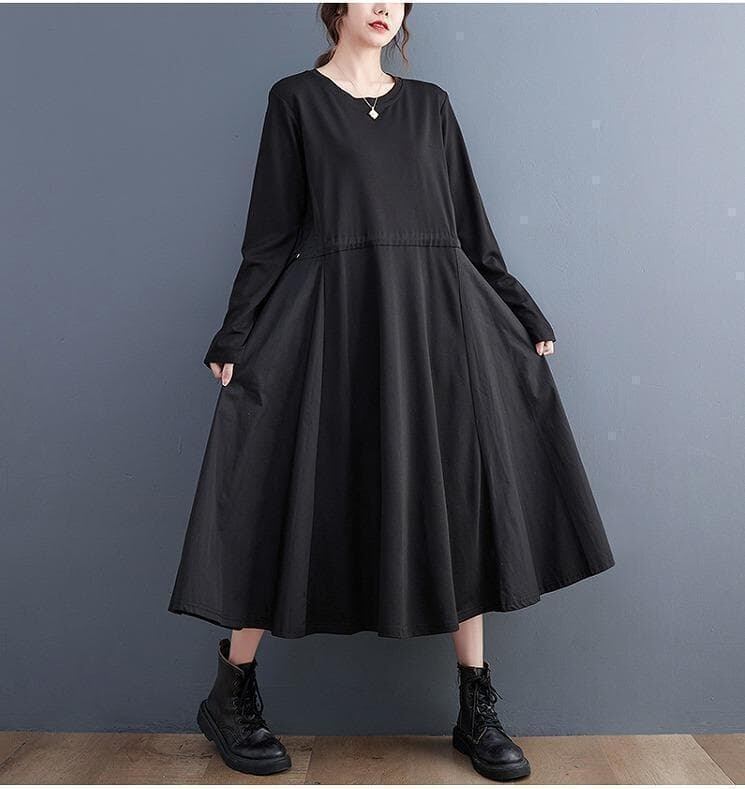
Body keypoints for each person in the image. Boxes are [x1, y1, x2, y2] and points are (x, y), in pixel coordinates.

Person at [168, 2, 616, 781]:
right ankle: (230, 695)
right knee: (279, 484)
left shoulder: (431, 106)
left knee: (456, 492)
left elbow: (470, 228)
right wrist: (236, 333)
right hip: (338, 321)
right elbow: (270, 234)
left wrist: (518, 307)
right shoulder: (295, 100)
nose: (383, 6)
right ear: (335, 7)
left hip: (437, 323)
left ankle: (475, 706)